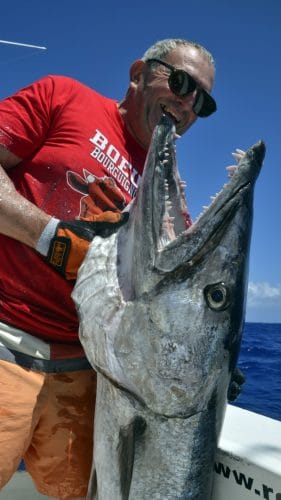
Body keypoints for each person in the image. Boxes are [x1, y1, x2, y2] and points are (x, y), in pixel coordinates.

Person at [0, 38, 240, 499]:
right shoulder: (63, 97)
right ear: (138, 74)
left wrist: (214, 358)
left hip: (89, 375)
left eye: (203, 102)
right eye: (182, 82)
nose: (189, 103)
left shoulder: (171, 203)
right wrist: (49, 236)